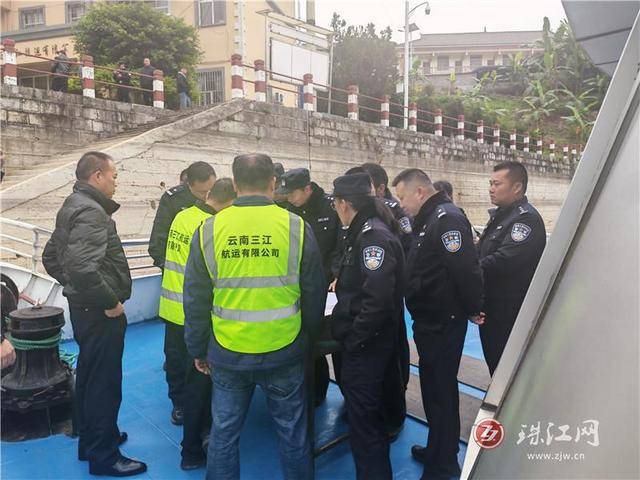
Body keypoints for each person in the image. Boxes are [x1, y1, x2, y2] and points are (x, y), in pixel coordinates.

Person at [183, 153, 326, 480]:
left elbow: (196, 298)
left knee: (224, 433)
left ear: (234, 184)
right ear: (273, 183)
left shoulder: (209, 229)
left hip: (228, 351)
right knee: (292, 433)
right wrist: (308, 337)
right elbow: (314, 291)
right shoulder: (296, 227)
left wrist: (197, 348)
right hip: (284, 349)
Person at [42, 152, 146, 476]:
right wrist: (109, 301)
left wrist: (75, 289)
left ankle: (92, 440)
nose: (116, 183)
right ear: (97, 176)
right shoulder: (91, 211)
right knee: (104, 383)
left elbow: (51, 257)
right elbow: (82, 268)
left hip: (84, 308)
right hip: (101, 313)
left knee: (89, 375)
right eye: (113, 177)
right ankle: (105, 456)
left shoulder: (73, 205)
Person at [393, 168, 483, 479]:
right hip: (429, 321)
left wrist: (474, 307)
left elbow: (466, 270)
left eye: (403, 198)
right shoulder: (429, 219)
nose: (402, 205)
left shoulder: (447, 219)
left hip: (443, 322)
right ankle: (438, 449)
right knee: (433, 391)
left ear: (419, 192)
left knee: (441, 394)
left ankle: (443, 465)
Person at [330, 173, 405, 480]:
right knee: (367, 418)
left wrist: (355, 339)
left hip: (367, 345)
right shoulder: (364, 231)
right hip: (371, 340)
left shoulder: (372, 236)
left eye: (335, 204)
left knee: (365, 423)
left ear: (344, 204)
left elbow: (377, 300)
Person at [158, 177, 236, 470]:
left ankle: (180, 410)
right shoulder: (209, 227)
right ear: (228, 201)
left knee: (178, 366)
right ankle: (195, 445)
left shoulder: (183, 216)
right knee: (200, 383)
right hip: (194, 314)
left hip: (172, 308)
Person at [149, 161, 216, 425]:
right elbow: (158, 244)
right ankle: (179, 403)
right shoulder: (174, 203)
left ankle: (197, 403)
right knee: (177, 356)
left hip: (197, 301)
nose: (207, 196)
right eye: (202, 192)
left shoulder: (211, 213)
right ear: (189, 184)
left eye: (210, 190)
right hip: (177, 297)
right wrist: (175, 274)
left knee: (196, 357)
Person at [275, 167, 339, 405]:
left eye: (293, 193)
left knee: (324, 340)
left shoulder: (330, 208)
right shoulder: (289, 212)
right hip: (297, 286)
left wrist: (337, 274)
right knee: (304, 340)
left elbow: (340, 245)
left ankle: (323, 391)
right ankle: (308, 389)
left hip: (327, 287)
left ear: (308, 189)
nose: (289, 198)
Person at [477, 161, 546, 375]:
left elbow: (504, 259)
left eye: (497, 184)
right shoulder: (502, 216)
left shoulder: (526, 219)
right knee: (496, 368)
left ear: (517, 187)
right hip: (492, 311)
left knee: (508, 372)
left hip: (509, 315)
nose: (491, 189)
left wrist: (468, 268)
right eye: (490, 183)